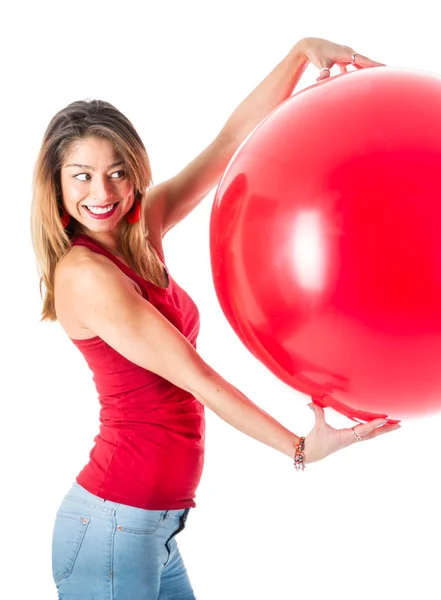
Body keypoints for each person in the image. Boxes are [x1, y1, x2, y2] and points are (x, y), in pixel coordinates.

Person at [31, 37, 401, 600]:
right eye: (81, 175)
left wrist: (302, 55)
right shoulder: (87, 275)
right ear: (56, 183)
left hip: (150, 526)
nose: (101, 192)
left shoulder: (141, 228)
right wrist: (299, 447)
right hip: (112, 526)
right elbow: (196, 377)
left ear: (135, 172)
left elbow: (228, 142)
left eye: (116, 172)